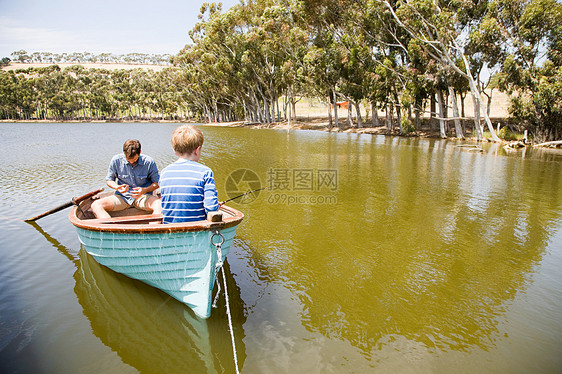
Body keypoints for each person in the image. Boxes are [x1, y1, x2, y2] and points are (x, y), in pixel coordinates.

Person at [159, 124, 219, 223]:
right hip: (196, 229)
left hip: (170, 229)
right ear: (197, 150)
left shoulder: (164, 172)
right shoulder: (205, 172)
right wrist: (215, 205)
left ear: (175, 151)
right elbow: (211, 208)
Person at [91, 139, 162, 218]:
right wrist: (117, 187)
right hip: (122, 197)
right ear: (124, 153)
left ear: (140, 152)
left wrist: (144, 190)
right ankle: (112, 229)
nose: (131, 162)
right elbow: (109, 180)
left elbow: (157, 183)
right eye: (128, 160)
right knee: (96, 205)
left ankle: (151, 229)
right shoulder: (116, 160)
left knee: (159, 205)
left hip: (143, 197)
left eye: (134, 160)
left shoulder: (149, 162)